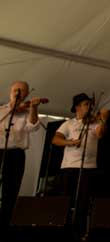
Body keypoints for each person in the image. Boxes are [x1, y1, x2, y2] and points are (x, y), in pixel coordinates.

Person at [52, 92, 109, 239]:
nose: (89, 107)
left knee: (83, 202)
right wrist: (70, 142)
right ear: (77, 107)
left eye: (90, 104)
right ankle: (63, 231)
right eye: (86, 104)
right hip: (69, 166)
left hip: (88, 168)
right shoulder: (69, 123)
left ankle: (79, 232)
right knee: (65, 201)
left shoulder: (94, 123)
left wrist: (103, 119)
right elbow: (56, 139)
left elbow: (100, 134)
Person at [0, 81, 43, 233]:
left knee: (10, 192)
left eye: (22, 91)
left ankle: (4, 227)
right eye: (15, 90)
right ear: (10, 92)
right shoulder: (1, 110)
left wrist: (34, 108)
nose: (18, 92)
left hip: (15, 155)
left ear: (26, 94)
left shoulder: (27, 112)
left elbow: (33, 126)